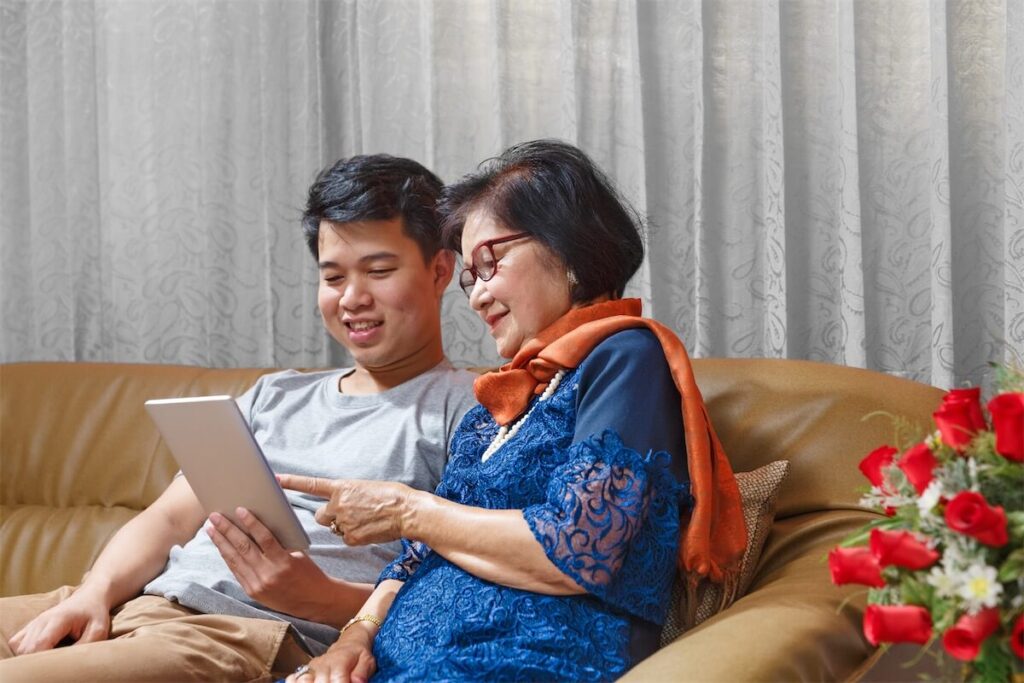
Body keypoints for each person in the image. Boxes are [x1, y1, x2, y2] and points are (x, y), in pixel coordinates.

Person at [281, 140, 747, 682]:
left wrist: (411, 510)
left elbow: (579, 548)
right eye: (470, 277)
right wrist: (354, 636)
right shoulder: (500, 403)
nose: (477, 297)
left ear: (570, 250)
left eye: (491, 263)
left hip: (526, 663)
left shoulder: (625, 359)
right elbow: (414, 558)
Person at [0, 155, 478, 682]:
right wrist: (93, 594)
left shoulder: (467, 410)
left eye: (379, 271)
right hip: (134, 605)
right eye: (333, 276)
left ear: (439, 270)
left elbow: (463, 595)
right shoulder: (276, 394)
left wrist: (322, 600)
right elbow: (168, 520)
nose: (352, 298)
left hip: (233, 635)